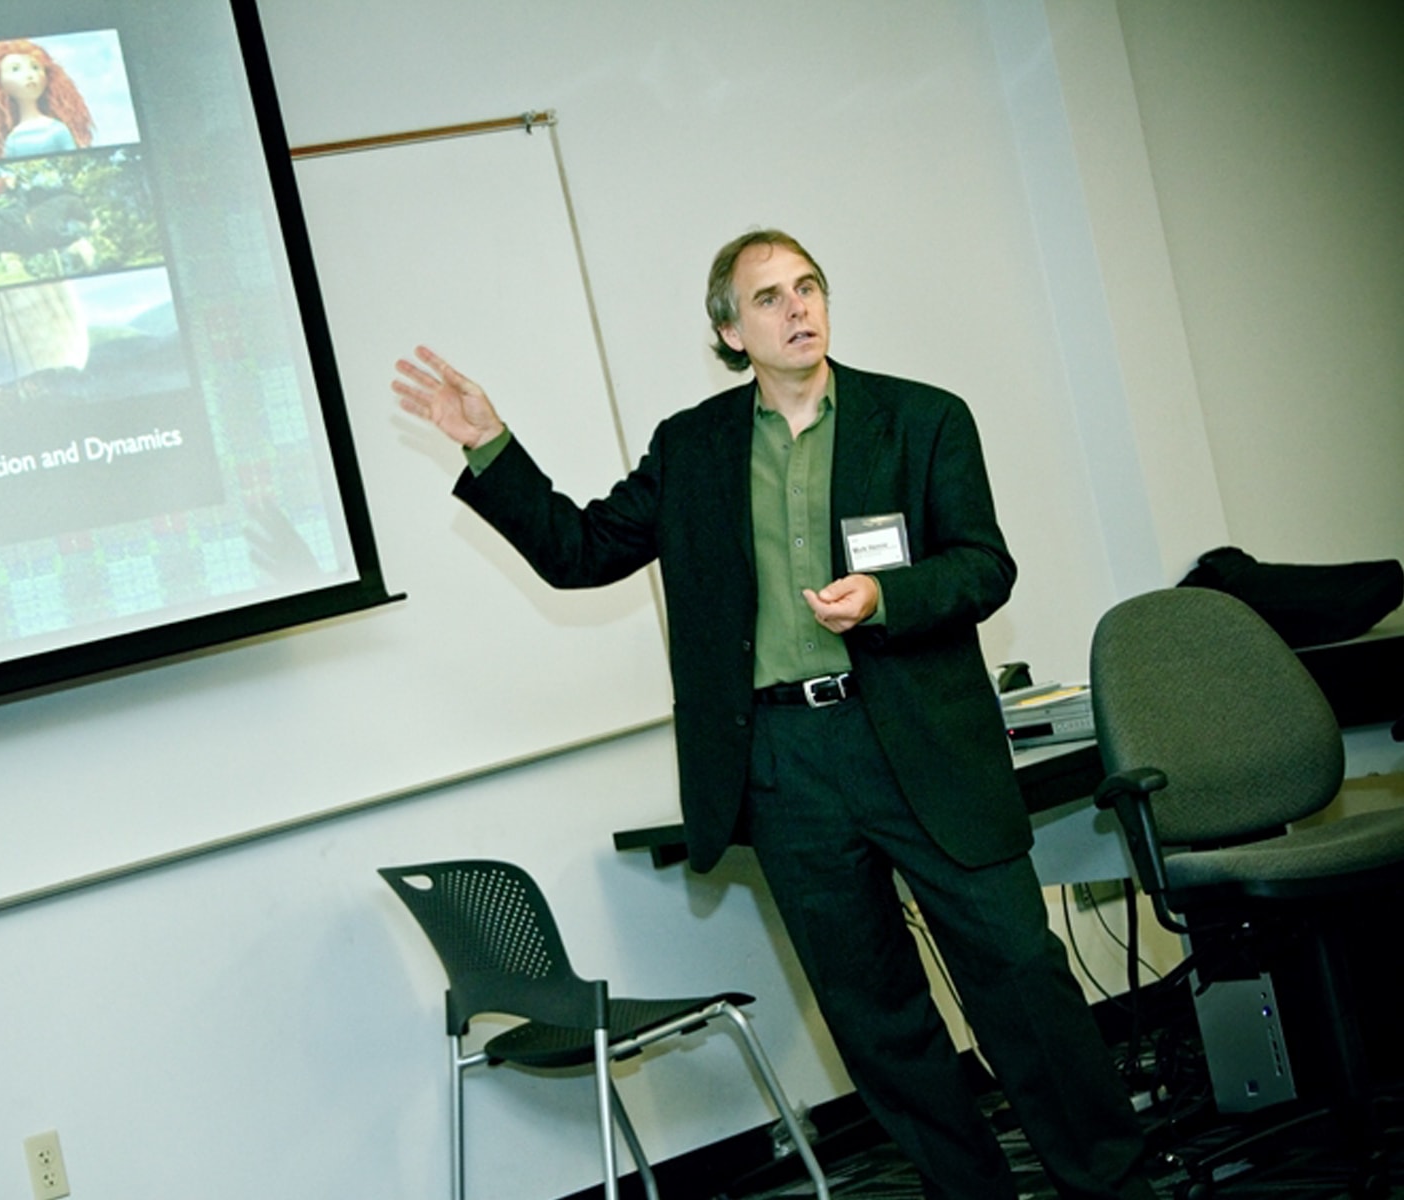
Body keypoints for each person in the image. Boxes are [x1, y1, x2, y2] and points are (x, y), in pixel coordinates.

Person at [392, 229, 1155, 1200]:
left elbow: (983, 565)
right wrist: (489, 444)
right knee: (876, 1018)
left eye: (808, 287)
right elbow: (579, 552)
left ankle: (1112, 1188)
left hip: (918, 740)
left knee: (1021, 980)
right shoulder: (693, 448)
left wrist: (888, 600)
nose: (797, 308)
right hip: (785, 764)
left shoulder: (920, 419)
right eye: (768, 298)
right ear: (728, 328)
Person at [0, 39, 95, 162]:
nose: (29, 75)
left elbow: (73, 161)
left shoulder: (57, 129)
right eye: (15, 69)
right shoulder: (13, 139)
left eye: (35, 67)